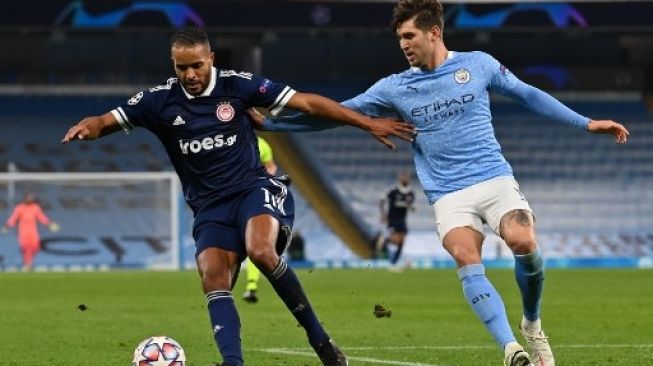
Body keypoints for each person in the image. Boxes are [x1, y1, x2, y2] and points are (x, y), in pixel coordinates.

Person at [255, 1, 629, 365]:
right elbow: (338, 114)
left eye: (409, 35)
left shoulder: (477, 64)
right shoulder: (394, 87)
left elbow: (527, 94)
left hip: (493, 177)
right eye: (399, 38)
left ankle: (531, 324)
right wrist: (273, 124)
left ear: (434, 32)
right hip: (448, 192)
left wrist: (586, 122)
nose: (403, 45)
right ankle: (511, 349)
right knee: (467, 257)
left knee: (524, 242)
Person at [61, 26, 412, 366]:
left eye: (197, 65)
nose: (191, 74)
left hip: (253, 189)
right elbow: (106, 120)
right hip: (209, 208)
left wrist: (367, 123)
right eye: (182, 67)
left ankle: (320, 341)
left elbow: (305, 102)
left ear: (210, 58)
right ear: (173, 66)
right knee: (212, 277)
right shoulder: (158, 101)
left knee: (261, 250)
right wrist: (87, 129)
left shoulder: (238, 85)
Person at [242, 136, 277, 304]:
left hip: (255, 198)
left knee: (254, 244)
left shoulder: (261, 144)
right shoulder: (227, 140)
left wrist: (267, 180)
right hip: (232, 198)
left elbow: (271, 165)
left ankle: (251, 286)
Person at [2, 193, 59, 271]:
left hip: (33, 231)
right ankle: (27, 264)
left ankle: (28, 263)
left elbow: (42, 217)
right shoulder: (20, 208)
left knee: (36, 247)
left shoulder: (35, 208)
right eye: (28, 198)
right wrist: (7, 226)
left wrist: (49, 224)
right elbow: (13, 218)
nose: (30, 199)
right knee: (27, 248)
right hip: (23, 232)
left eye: (31, 198)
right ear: (24, 199)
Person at [375, 171, 415, 270]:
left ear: (409, 179)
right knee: (397, 240)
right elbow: (381, 199)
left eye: (407, 177)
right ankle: (385, 241)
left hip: (402, 220)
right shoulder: (393, 191)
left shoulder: (410, 193)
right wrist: (383, 214)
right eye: (403, 177)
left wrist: (412, 208)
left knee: (402, 242)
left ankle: (393, 264)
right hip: (392, 219)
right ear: (399, 178)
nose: (405, 179)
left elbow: (411, 206)